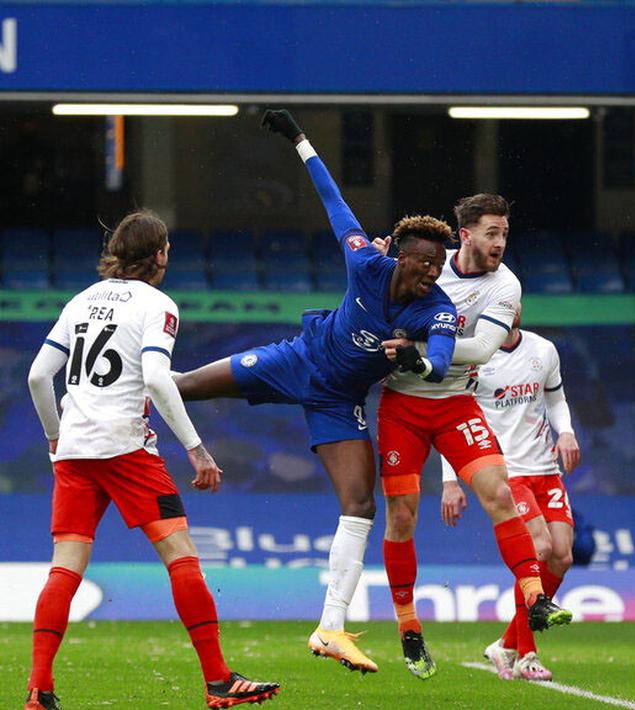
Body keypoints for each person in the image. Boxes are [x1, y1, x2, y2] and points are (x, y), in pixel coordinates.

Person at [174, 109, 458, 675]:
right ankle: (116, 404)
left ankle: (331, 628)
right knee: (184, 386)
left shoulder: (438, 311)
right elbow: (335, 203)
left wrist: (417, 359)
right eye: (425, 262)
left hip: (339, 403)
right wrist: (300, 139)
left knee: (360, 505)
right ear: (401, 257)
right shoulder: (366, 263)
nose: (432, 272)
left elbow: (443, 360)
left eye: (439, 264)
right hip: (294, 359)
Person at [23, 210, 280, 709]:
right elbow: (158, 379)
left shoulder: (81, 300)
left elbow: (37, 376)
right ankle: (219, 681)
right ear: (159, 253)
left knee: (65, 568)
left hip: (75, 453)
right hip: (125, 449)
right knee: (180, 556)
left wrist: (55, 437)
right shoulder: (157, 304)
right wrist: (196, 448)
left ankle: (39, 690)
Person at [376, 195, 572, 681]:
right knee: (401, 517)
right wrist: (378, 265)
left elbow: (483, 347)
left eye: (504, 233)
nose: (500, 243)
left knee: (499, 493)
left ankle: (534, 598)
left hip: (455, 403)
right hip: (401, 406)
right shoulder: (427, 267)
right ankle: (409, 628)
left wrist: (414, 348)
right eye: (491, 233)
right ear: (465, 235)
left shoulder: (505, 286)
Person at [439, 306, 581, 681]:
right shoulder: (472, 358)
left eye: (513, 303)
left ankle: (505, 644)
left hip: (545, 470)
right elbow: (450, 420)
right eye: (501, 306)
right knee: (539, 548)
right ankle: (527, 655)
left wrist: (565, 431)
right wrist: (450, 481)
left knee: (562, 556)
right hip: (504, 472)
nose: (510, 311)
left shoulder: (543, 350)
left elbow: (556, 399)